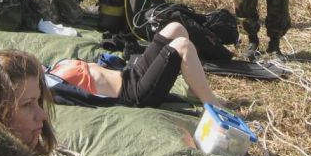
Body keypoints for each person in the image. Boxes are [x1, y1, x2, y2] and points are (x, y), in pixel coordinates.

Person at [49, 22, 226, 108]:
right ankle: (212, 104)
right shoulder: (50, 87)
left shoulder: (51, 70)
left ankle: (195, 90)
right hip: (134, 93)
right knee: (182, 46)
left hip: (129, 73)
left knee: (175, 28)